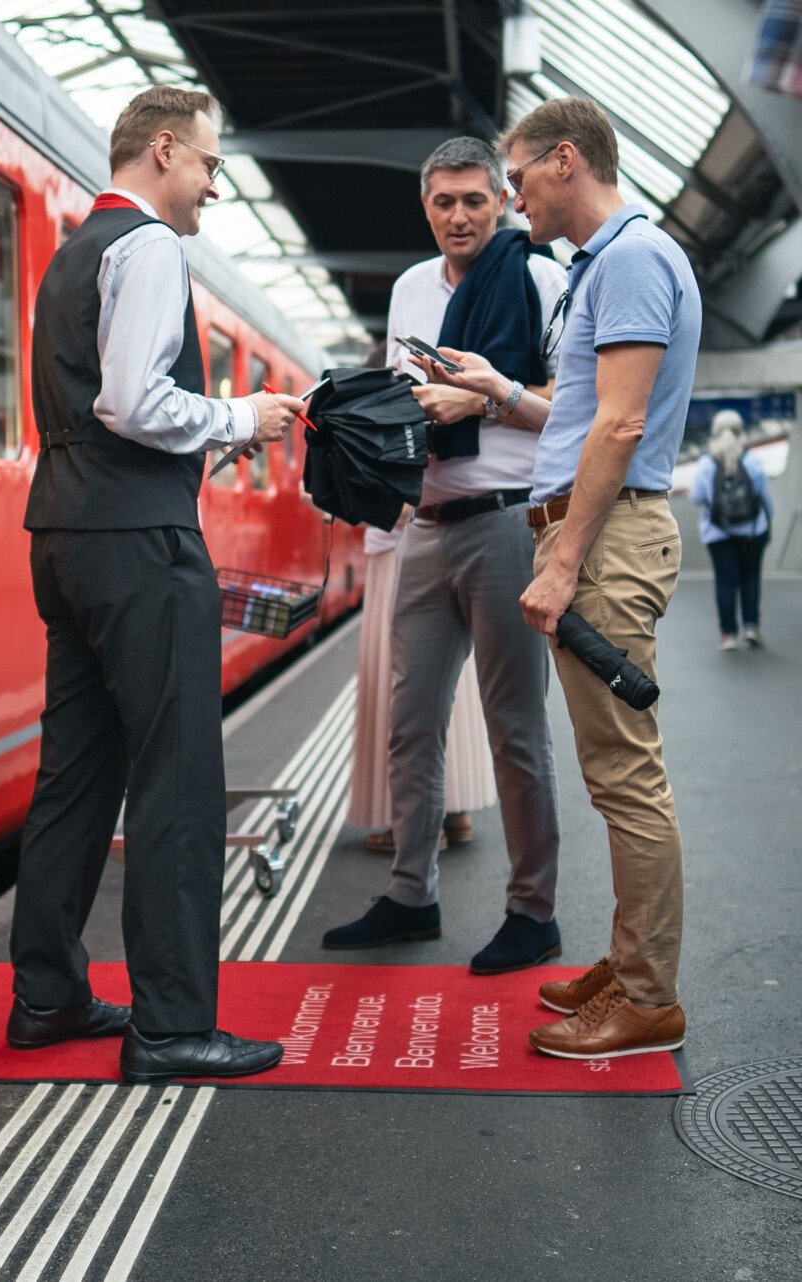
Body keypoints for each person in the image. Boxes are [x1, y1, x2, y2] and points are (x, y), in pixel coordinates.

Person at [9, 85, 305, 1083]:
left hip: (63, 533)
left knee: (76, 774)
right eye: (211, 165)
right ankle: (172, 1024)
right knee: (176, 779)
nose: (216, 186)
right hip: (140, 540)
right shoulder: (148, 248)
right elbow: (135, 400)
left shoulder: (70, 253)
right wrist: (241, 418)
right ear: (166, 149)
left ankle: (46, 994)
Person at [420, 97, 699, 1058]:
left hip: (606, 540)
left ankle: (649, 997)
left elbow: (619, 429)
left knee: (625, 775)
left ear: (566, 161)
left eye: (520, 176)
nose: (511, 195)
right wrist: (500, 391)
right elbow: (581, 415)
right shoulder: (612, 264)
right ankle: (628, 965)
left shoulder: (626, 260)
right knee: (609, 768)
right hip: (597, 533)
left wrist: (564, 558)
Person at [324, 137, 566, 975]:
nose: (458, 216)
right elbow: (397, 408)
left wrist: (486, 397)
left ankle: (533, 912)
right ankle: (410, 895)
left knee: (515, 728)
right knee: (410, 722)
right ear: (426, 208)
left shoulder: (539, 278)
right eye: (443, 202)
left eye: (473, 200)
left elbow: (572, 413)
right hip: (426, 522)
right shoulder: (408, 291)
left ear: (501, 199)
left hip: (506, 523)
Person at [345, 517, 496, 856]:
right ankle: (454, 810)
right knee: (450, 682)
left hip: (401, 556)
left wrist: (343, 498)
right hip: (445, 545)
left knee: (399, 683)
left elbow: (400, 505)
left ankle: (412, 825)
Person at [689, 410, 773, 649]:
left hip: (718, 533)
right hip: (754, 531)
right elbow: (764, 497)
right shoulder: (752, 460)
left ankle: (727, 635)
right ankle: (751, 627)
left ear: (715, 432)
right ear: (740, 431)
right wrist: (767, 525)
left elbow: (697, 497)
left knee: (726, 581)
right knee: (750, 577)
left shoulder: (707, 463)